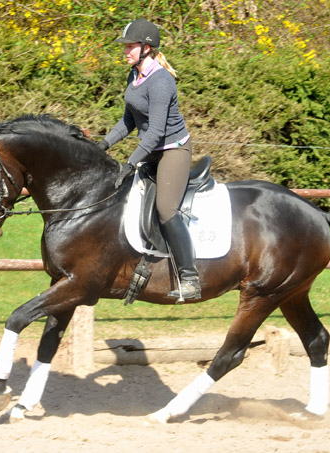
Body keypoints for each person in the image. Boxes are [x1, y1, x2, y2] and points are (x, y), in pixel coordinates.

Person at [98, 18, 201, 300]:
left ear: (146, 47)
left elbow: (155, 131)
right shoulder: (134, 75)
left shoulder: (161, 82)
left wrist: (131, 162)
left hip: (173, 151)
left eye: (130, 46)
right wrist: (103, 145)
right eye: (126, 46)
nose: (125, 51)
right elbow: (128, 120)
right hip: (152, 150)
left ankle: (190, 278)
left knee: (166, 209)